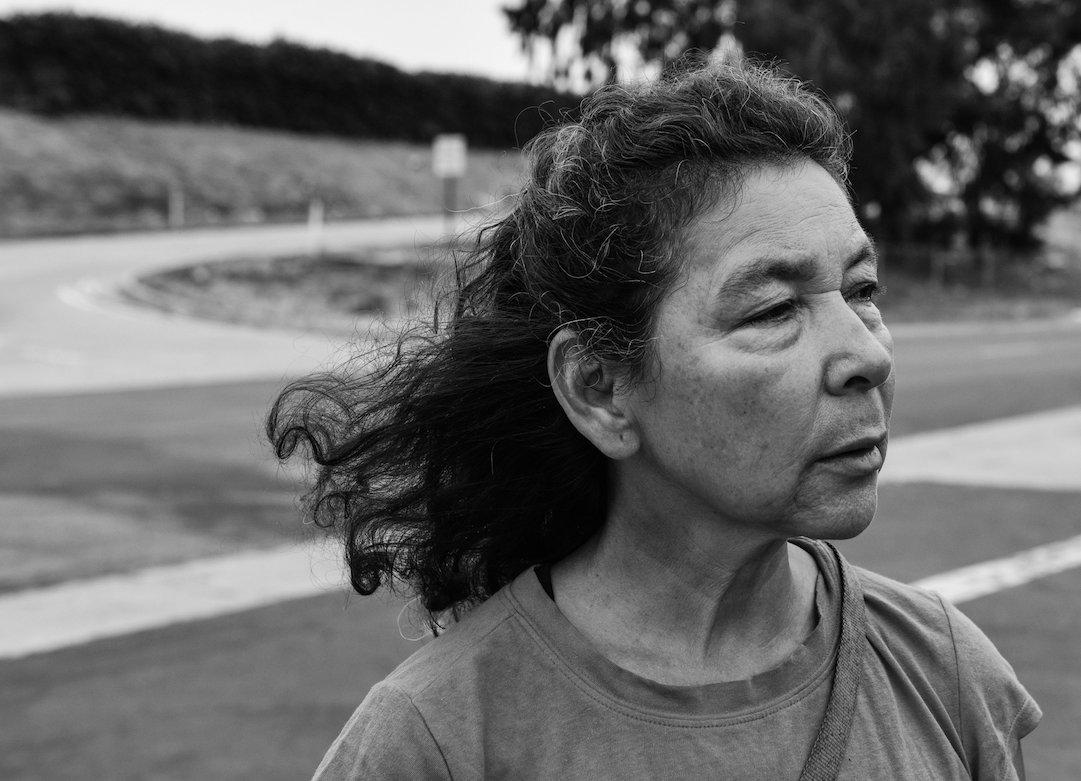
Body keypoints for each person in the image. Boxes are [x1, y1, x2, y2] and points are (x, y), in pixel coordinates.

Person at [268, 55, 1040, 780]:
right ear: (600, 388)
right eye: (773, 308)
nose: (866, 356)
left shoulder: (945, 671)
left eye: (862, 290)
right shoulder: (437, 741)